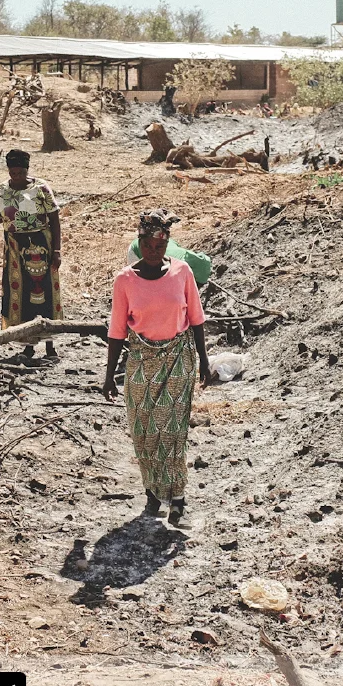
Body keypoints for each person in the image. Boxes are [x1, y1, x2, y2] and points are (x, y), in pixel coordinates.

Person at [102, 209, 212, 526]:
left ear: (167, 244)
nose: (153, 252)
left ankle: (177, 499)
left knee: (173, 430)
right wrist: (109, 376)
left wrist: (204, 361)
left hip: (179, 357)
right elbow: (117, 331)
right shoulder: (125, 280)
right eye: (147, 245)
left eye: (159, 246)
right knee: (144, 429)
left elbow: (197, 319)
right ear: (139, 243)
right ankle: (152, 491)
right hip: (141, 360)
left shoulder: (182, 272)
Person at [0, 149, 63, 357]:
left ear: (27, 170)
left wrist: (57, 251)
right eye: (13, 173)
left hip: (41, 246)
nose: (17, 176)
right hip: (15, 249)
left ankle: (50, 346)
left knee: (45, 293)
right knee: (21, 293)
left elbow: (54, 219)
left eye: (20, 173)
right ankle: (28, 344)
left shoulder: (41, 188)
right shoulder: (3, 190)